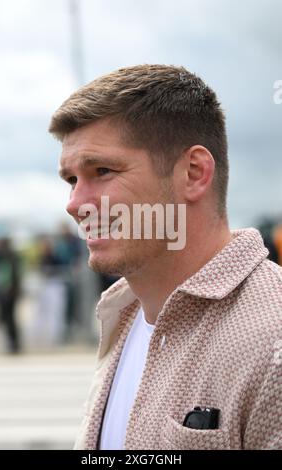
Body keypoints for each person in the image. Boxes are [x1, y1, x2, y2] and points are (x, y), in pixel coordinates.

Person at [48, 64, 282, 450]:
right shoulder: (123, 313)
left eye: (102, 170)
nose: (75, 204)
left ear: (193, 173)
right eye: (72, 180)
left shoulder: (270, 334)